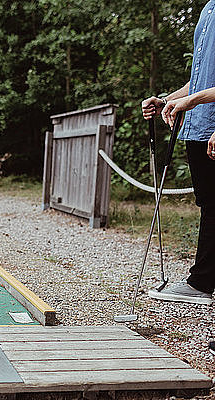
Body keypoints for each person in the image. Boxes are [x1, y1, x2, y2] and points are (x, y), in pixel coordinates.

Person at [141, 0, 215, 356]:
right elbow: (201, 77)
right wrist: (169, 100)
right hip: (198, 128)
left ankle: (202, 281)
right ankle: (201, 282)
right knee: (210, 206)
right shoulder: (207, 10)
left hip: (213, 124)